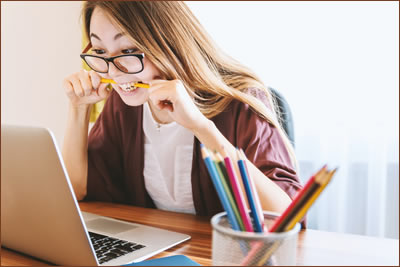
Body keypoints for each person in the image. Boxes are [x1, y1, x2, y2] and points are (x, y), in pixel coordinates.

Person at [62, 1, 302, 217]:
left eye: (128, 51)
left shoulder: (241, 101)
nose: (112, 72)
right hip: (157, 250)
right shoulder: (125, 104)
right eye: (100, 51)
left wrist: (201, 127)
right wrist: (78, 109)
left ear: (168, 43)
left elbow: (285, 217)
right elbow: (77, 189)